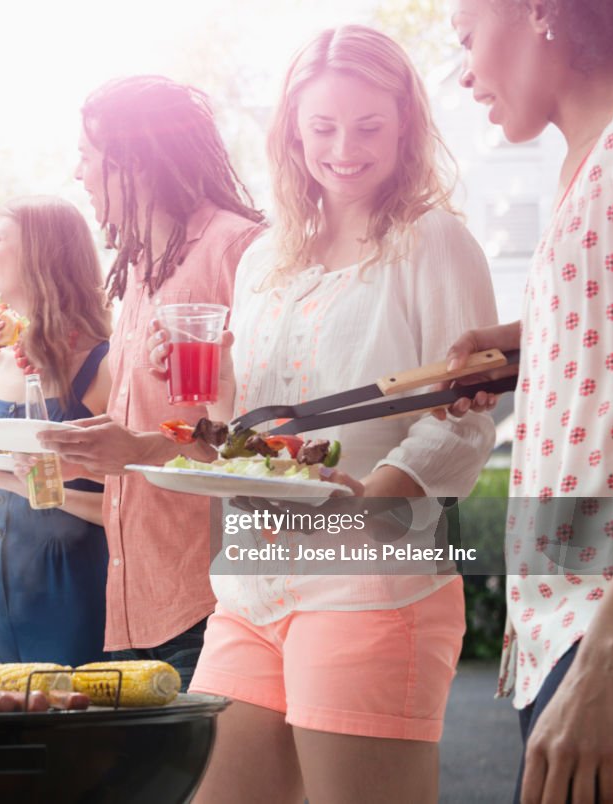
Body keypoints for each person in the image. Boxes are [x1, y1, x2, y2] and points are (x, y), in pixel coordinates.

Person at [144, 27, 498, 803]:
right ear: (292, 131)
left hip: (372, 579)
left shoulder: (433, 242)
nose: (345, 149)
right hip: (251, 588)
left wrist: (371, 499)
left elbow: (464, 419)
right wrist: (215, 391)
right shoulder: (267, 258)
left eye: (370, 126)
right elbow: (250, 436)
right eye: (322, 127)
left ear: (406, 124)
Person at [445, 2, 613, 801]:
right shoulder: (585, 161)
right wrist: (526, 348)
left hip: (601, 630)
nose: (465, 70)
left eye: (467, 36)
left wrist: (609, 659)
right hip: (559, 627)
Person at [36, 76, 266, 688]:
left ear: (131, 162)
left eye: (87, 157)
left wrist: (141, 447)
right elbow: (156, 424)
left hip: (211, 602)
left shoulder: (238, 249)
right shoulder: (138, 269)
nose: (78, 172)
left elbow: (264, 434)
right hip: (134, 605)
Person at [0, 195, 113, 666]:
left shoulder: (104, 365)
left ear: (42, 252)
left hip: (72, 594)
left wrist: (42, 487)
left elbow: (134, 506)